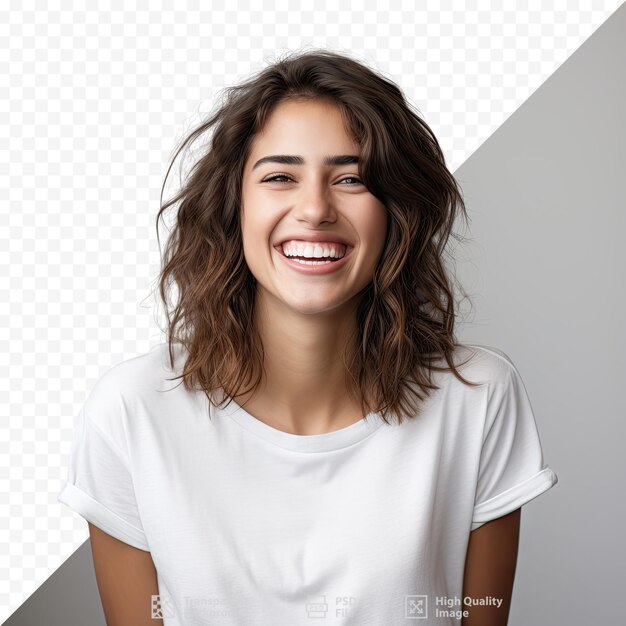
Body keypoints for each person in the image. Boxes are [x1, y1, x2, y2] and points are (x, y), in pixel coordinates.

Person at [58, 49, 558, 626]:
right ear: (234, 205)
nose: (315, 208)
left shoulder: (477, 396)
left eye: (351, 178)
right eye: (280, 177)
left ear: (396, 210)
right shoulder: (132, 412)